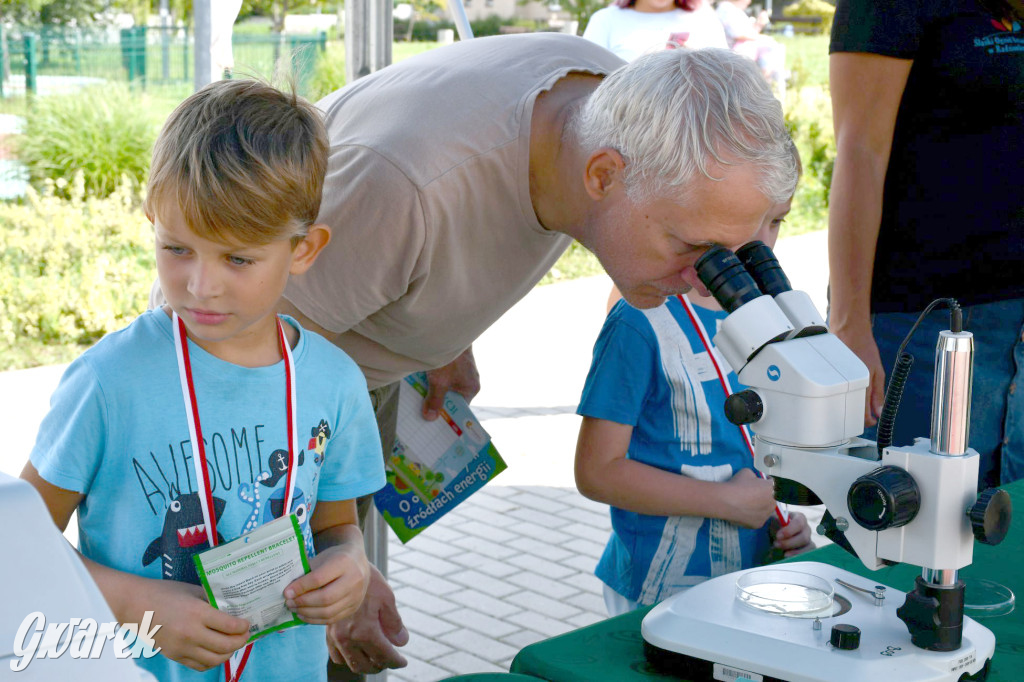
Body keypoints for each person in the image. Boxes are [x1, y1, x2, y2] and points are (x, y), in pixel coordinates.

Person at [277, 34, 799, 675]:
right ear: (603, 176)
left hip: (344, 349)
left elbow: (457, 232)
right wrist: (327, 554)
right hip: (268, 396)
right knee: (283, 639)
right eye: (692, 247)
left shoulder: (611, 105)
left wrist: (442, 334)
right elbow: (241, 374)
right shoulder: (405, 189)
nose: (702, 281)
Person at [21, 79, 387, 681]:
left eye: (237, 258)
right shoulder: (108, 382)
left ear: (304, 249)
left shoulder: (335, 383)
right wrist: (137, 604)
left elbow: (335, 524)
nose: (201, 285)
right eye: (177, 249)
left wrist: (350, 563)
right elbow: (20, 541)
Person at [573, 149, 813, 615]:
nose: (760, 243)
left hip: (750, 581)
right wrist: (727, 502)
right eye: (748, 221)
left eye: (777, 221)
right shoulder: (639, 322)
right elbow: (596, 471)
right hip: (658, 590)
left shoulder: (772, 318)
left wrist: (785, 520)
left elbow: (757, 452)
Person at [828, 0, 1024, 490]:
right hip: (927, 322)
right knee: (911, 533)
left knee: (1007, 535)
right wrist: (849, 323)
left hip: (1016, 317)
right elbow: (859, 154)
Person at [583, 0, 727, 62]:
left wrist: (698, 59)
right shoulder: (605, 19)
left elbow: (727, 74)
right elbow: (587, 74)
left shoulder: (705, 19)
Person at [716, 0, 787, 92]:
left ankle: (767, 86)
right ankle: (765, 86)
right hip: (733, 55)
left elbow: (747, 33)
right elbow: (739, 34)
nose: (749, 2)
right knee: (770, 47)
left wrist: (759, 24)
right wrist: (759, 30)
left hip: (740, 54)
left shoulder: (733, 10)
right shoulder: (726, 8)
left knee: (773, 46)